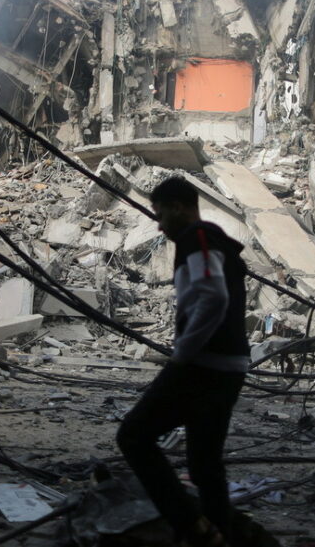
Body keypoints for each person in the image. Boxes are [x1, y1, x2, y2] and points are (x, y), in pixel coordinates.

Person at [117, 176, 250, 547]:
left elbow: (212, 298)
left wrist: (182, 355)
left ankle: (192, 526)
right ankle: (218, 536)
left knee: (133, 435)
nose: (159, 225)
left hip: (204, 365)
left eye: (160, 215)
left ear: (178, 207)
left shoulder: (199, 237)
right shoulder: (218, 242)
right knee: (205, 465)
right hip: (229, 366)